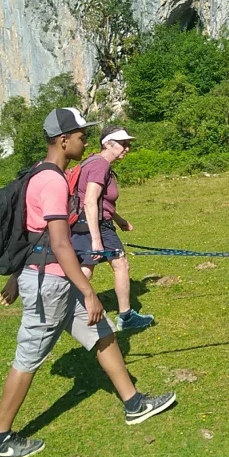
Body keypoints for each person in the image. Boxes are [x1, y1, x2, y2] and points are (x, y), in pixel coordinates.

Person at [0, 108, 176, 457]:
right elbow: (57, 242)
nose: (86, 141)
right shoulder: (54, 180)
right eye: (82, 136)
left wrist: (16, 277)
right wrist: (88, 292)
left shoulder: (37, 175)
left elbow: (31, 235)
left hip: (51, 279)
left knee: (101, 332)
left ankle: (134, 403)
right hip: (50, 285)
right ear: (63, 140)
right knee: (28, 357)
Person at [70, 125, 154, 331]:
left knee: (85, 269)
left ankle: (64, 307)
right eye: (123, 144)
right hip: (96, 225)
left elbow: (100, 201)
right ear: (107, 144)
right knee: (121, 264)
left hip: (84, 224)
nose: (127, 148)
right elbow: (90, 201)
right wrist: (97, 239)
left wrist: (119, 219)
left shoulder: (91, 161)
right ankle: (126, 316)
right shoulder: (101, 165)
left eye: (128, 144)